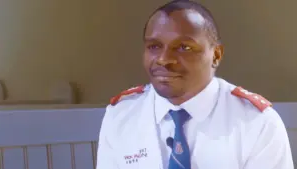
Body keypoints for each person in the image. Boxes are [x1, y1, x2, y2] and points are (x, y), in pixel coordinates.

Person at [96, 0, 294, 168]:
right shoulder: (121, 116)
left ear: (216, 55)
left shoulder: (257, 123)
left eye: (184, 47)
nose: (164, 59)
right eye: (154, 46)